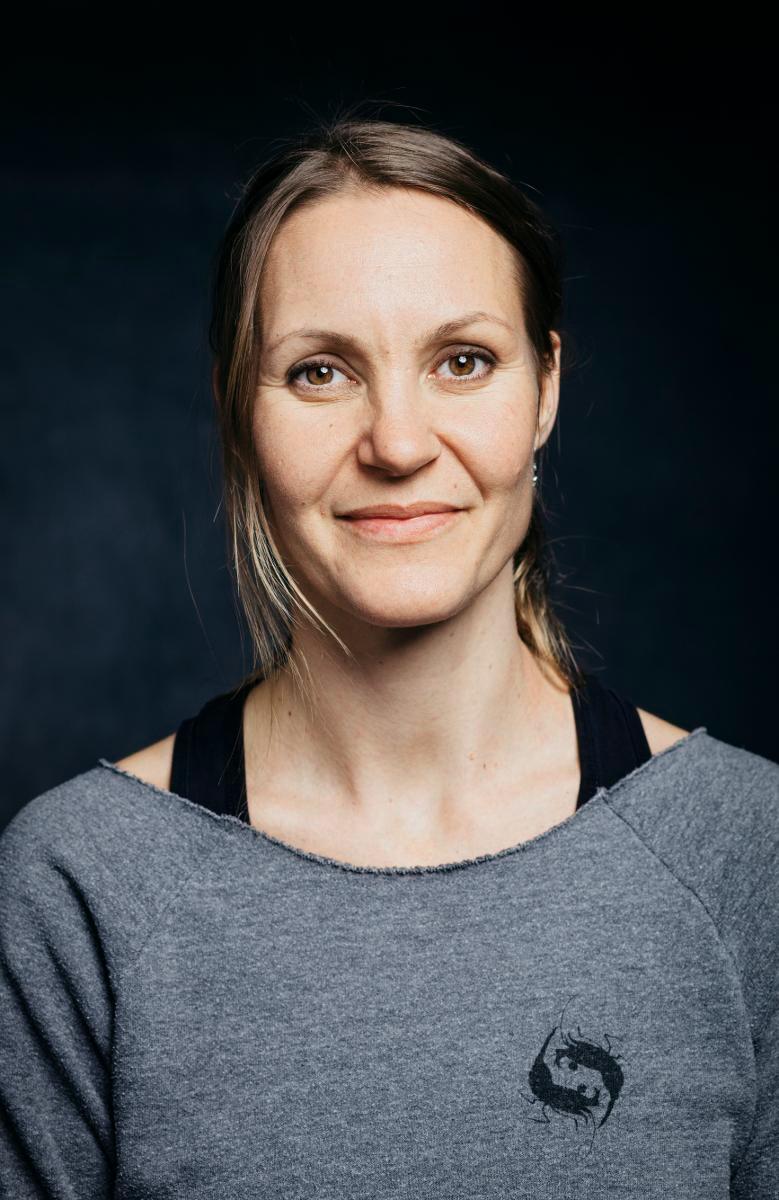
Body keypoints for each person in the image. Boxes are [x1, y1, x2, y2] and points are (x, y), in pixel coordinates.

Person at [1, 114, 776, 1198]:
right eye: (320, 371)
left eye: (463, 361)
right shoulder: (80, 886)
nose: (399, 444)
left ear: (544, 389)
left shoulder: (745, 853)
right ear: (237, 411)